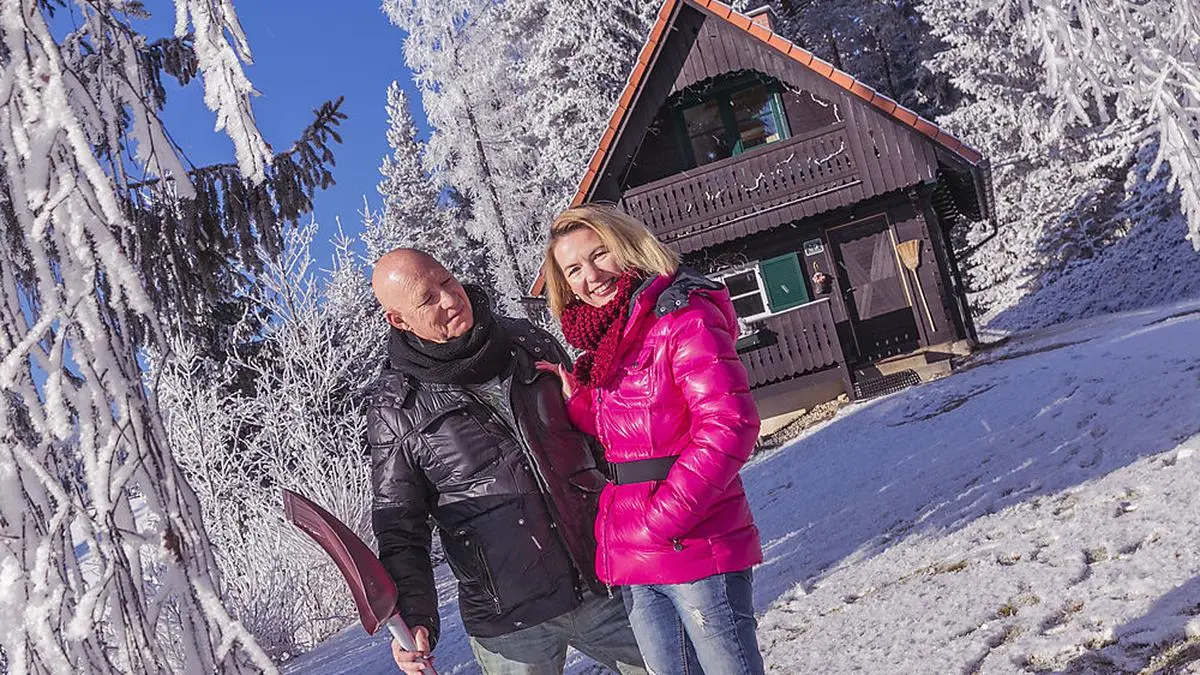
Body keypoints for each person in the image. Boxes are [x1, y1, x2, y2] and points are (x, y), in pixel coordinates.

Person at [366, 248, 646, 675]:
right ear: (399, 320)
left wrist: (645, 527)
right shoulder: (396, 407)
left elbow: (598, 440)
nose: (449, 299)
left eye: (446, 281)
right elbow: (400, 526)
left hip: (604, 578)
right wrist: (416, 619)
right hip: (510, 623)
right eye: (427, 299)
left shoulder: (528, 343)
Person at [538, 205, 766, 675]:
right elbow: (635, 428)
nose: (591, 276)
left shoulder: (683, 316)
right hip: (633, 549)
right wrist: (580, 401)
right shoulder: (612, 337)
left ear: (627, 246)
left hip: (693, 540)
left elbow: (730, 423)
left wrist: (664, 520)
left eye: (599, 255)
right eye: (574, 269)